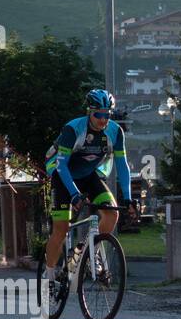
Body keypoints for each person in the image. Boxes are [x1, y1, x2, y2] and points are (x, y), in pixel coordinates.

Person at [42, 89, 135, 296]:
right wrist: (74, 194)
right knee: (61, 229)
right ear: (89, 112)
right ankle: (48, 277)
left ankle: (83, 251)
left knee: (112, 213)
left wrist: (128, 198)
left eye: (107, 115)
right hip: (63, 176)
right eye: (98, 115)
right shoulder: (73, 129)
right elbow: (62, 166)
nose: (103, 120)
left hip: (89, 175)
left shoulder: (115, 132)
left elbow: (122, 165)